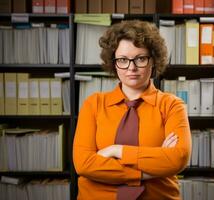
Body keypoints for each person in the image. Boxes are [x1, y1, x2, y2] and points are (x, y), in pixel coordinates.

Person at [73, 19, 191, 200]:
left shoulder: (172, 105)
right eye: (122, 60)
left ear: (153, 61)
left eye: (140, 58)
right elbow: (84, 164)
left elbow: (178, 158)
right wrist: (150, 169)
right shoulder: (93, 104)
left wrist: (116, 151)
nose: (131, 67)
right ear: (113, 63)